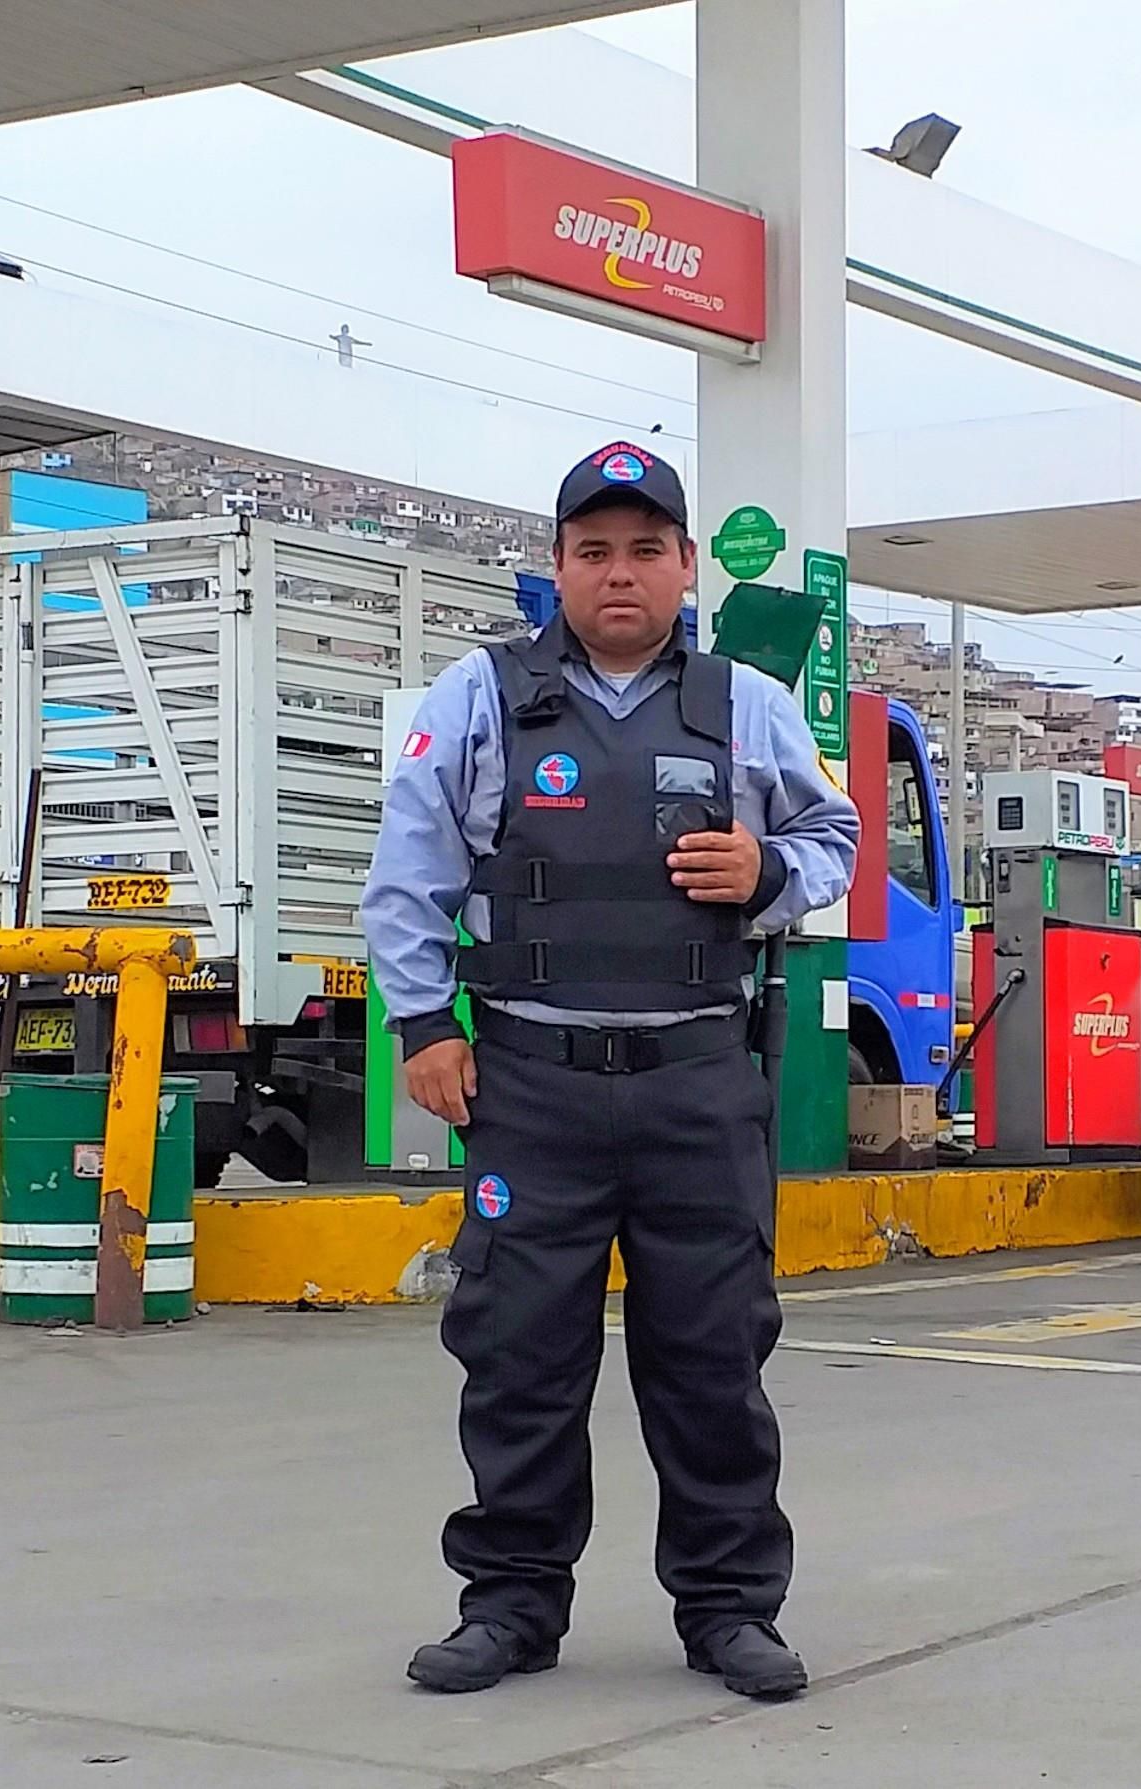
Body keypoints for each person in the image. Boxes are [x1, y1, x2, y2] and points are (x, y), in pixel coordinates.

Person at [363, 440, 859, 1699]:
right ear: (558, 567)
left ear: (686, 567)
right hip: (527, 1084)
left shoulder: (746, 704)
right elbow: (408, 872)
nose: (620, 574)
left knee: (711, 1359)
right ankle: (511, 1605)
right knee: (518, 1354)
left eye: (646, 550)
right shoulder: (477, 697)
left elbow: (834, 835)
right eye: (594, 552)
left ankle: (730, 1608)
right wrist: (424, 1026)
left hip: (695, 1082)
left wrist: (768, 875)